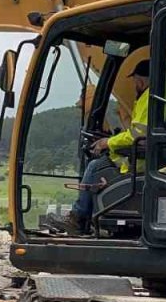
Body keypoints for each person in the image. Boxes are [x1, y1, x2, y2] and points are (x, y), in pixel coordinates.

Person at [58, 59, 152, 235]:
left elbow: (137, 135)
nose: (135, 85)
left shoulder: (149, 98)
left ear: (140, 80)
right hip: (154, 156)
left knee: (95, 166)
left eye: (135, 81)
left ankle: (78, 218)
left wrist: (107, 142)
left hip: (142, 162)